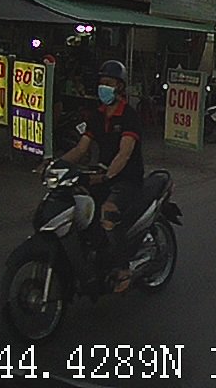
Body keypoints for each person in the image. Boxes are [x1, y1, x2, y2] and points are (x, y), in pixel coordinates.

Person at [56, 60, 144, 293]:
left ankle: (123, 269)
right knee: (79, 207)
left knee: (108, 213)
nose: (103, 87)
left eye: (109, 83)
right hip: (103, 173)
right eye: (101, 82)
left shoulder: (129, 115)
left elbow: (124, 154)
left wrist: (107, 176)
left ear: (120, 87)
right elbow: (80, 149)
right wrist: (57, 165)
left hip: (127, 178)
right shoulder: (97, 115)